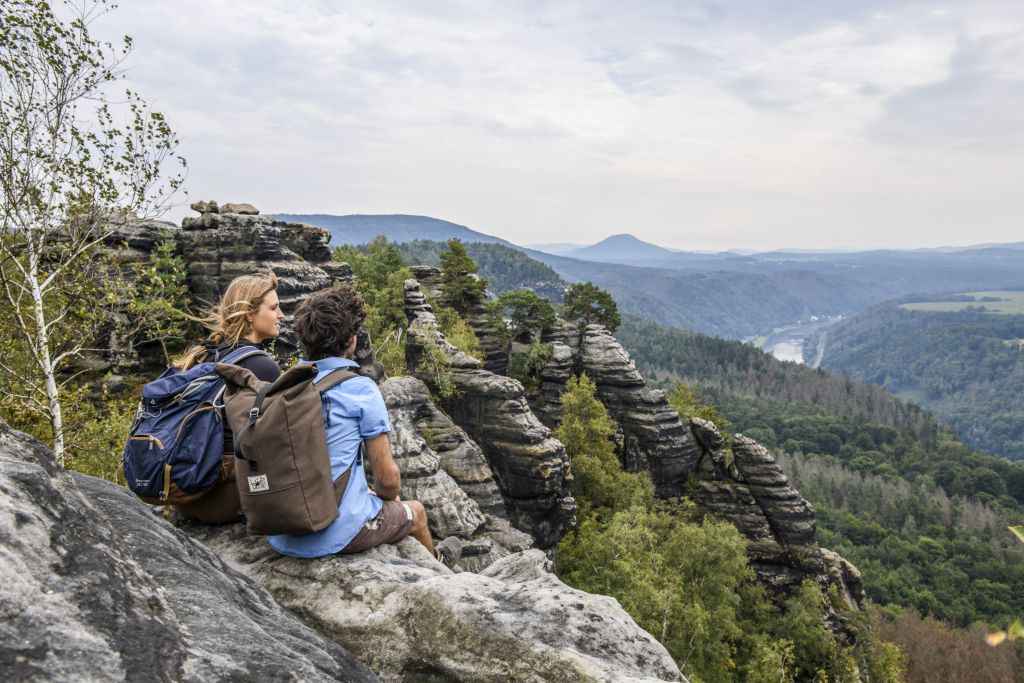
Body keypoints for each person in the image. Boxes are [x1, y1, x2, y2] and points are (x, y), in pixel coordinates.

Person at [268, 285, 434, 557]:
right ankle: (439, 569)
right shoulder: (360, 389)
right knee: (416, 513)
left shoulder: (285, 385)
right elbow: (388, 480)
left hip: (281, 531)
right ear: (352, 340)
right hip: (334, 534)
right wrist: (382, 498)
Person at [170, 271, 285, 523]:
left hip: (187, 497)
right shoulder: (260, 366)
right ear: (250, 314)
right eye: (274, 308)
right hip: (226, 499)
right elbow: (279, 440)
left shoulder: (203, 355)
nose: (281, 315)